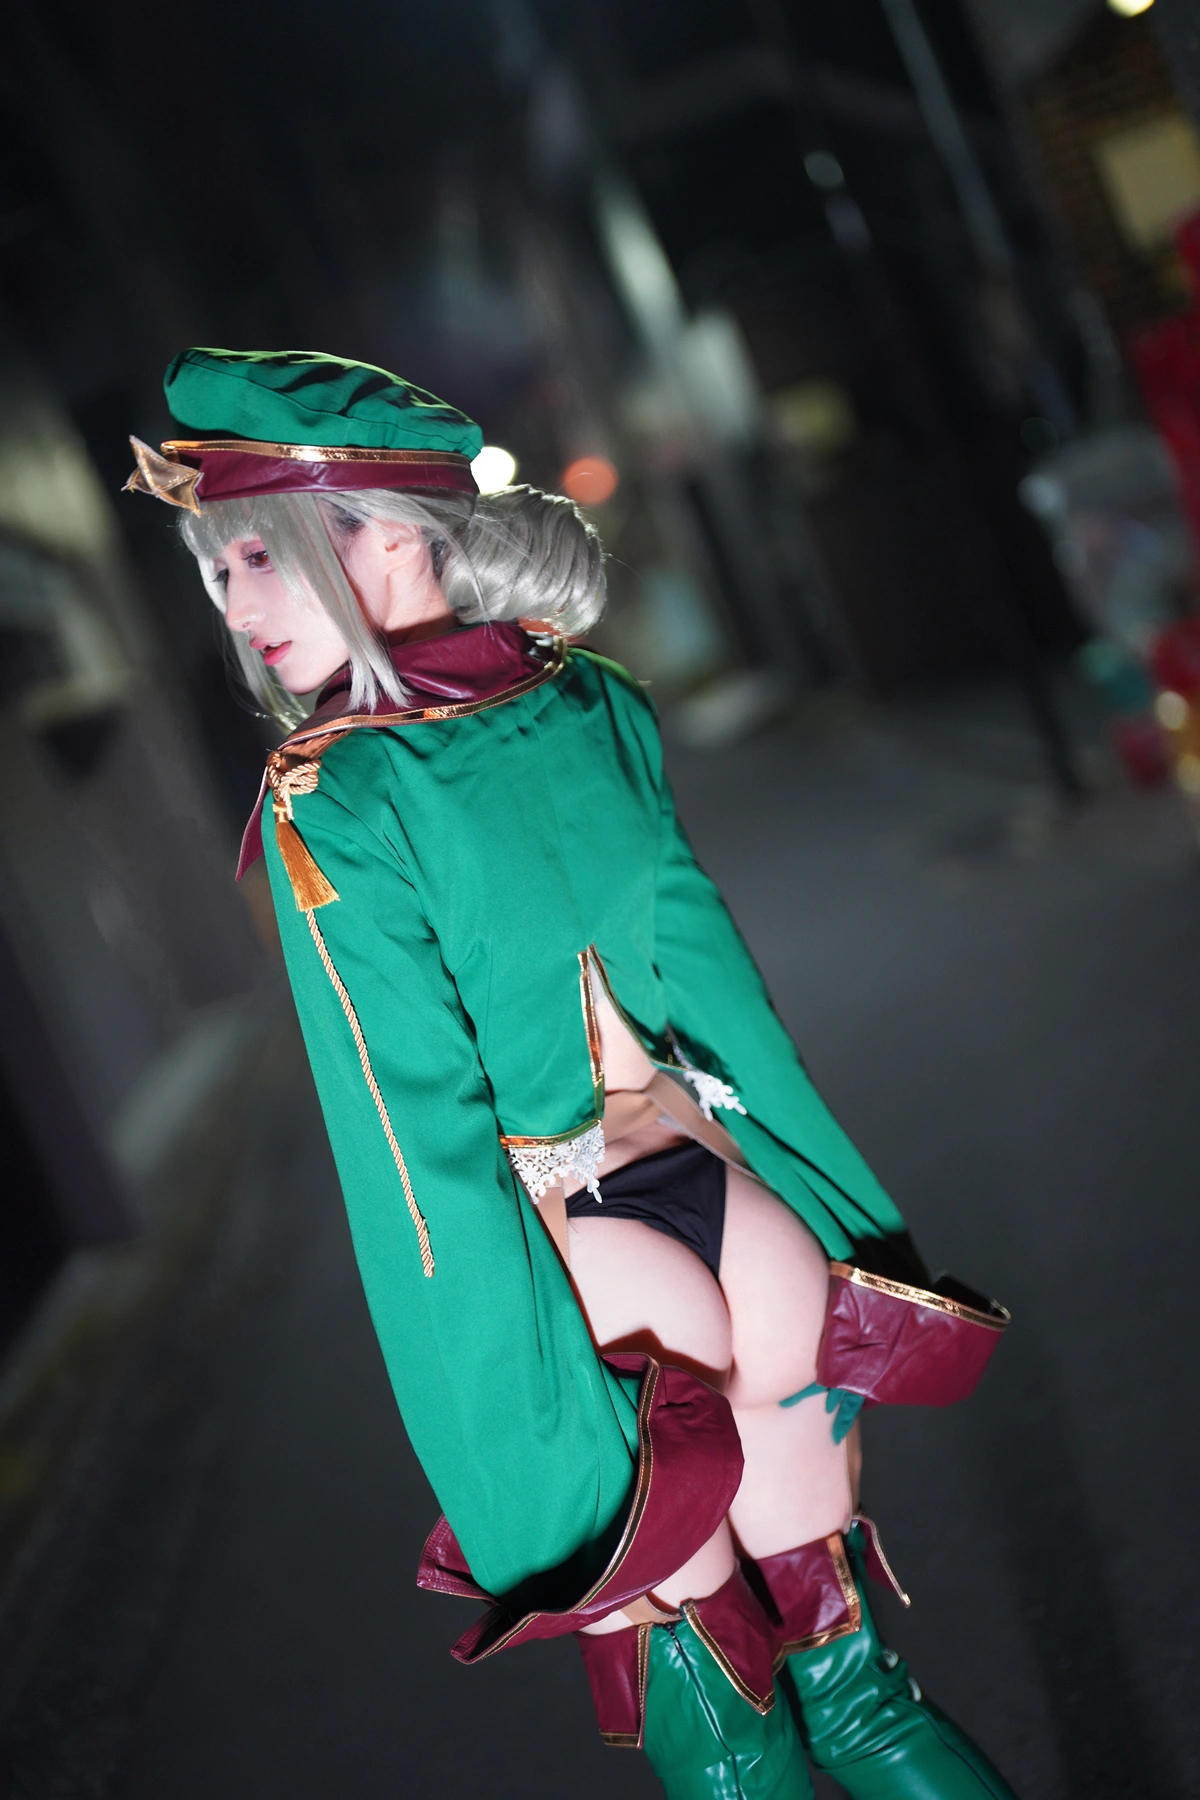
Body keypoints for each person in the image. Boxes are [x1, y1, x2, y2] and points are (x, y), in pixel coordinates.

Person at [126, 347, 1017, 1799]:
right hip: (740, 1225)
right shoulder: (594, 699)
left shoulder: (335, 794)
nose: (235, 606)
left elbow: (413, 1149)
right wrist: (855, 1233)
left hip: (586, 1268)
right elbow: (724, 1000)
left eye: (260, 557)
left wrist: (493, 1447)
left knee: (732, 1752)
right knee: (864, 1705)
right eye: (218, 573)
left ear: (388, 533)